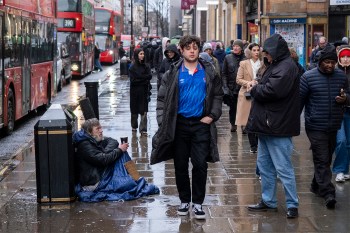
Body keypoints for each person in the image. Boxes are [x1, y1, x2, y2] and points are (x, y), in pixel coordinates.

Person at [150, 35, 223, 219]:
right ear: (181, 50)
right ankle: (184, 200)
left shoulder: (209, 71)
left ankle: (198, 203)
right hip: (179, 125)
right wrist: (163, 121)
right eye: (188, 47)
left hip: (201, 125)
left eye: (195, 47)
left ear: (199, 50)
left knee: (200, 165)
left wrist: (212, 116)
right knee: (180, 165)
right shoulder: (172, 73)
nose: (192, 50)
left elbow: (217, 95)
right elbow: (161, 100)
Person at [246, 34, 300, 219]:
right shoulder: (277, 64)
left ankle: (292, 204)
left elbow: (272, 90)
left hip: (278, 126)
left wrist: (254, 89)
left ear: (275, 52)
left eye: (267, 53)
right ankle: (268, 201)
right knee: (265, 166)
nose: (265, 56)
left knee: (283, 168)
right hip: (268, 124)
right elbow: (268, 84)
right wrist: (258, 83)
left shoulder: (286, 66)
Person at [300, 44, 349, 209]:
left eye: (332, 63)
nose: (329, 65)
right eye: (327, 62)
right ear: (320, 61)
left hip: (334, 124)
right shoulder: (308, 77)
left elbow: (348, 94)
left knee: (326, 158)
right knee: (321, 158)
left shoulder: (341, 77)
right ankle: (328, 193)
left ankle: (316, 184)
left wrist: (345, 99)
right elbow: (299, 101)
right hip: (315, 126)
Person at [73, 118, 159, 202]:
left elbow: (113, 141)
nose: (101, 130)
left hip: (100, 173)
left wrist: (107, 152)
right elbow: (103, 160)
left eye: (101, 127)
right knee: (121, 154)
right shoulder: (85, 145)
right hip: (95, 183)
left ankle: (136, 177)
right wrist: (119, 150)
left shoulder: (92, 138)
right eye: (98, 129)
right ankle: (136, 177)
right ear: (89, 132)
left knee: (121, 153)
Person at [236, 43, 261, 153]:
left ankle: (259, 143)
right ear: (249, 52)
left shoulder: (264, 63)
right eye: (254, 50)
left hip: (261, 93)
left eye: (258, 50)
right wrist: (249, 83)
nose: (256, 52)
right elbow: (238, 79)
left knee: (259, 119)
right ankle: (253, 146)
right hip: (247, 94)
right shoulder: (244, 63)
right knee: (248, 120)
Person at [333, 45, 350, 183]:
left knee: (348, 142)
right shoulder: (334, 72)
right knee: (341, 141)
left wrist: (347, 98)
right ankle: (339, 170)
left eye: (348, 56)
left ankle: (345, 170)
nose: (345, 59)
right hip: (338, 112)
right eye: (343, 56)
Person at [222, 39, 246, 132]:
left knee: (243, 107)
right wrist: (225, 87)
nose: (235, 48)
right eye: (234, 46)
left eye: (238, 46)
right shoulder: (228, 58)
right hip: (231, 87)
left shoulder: (245, 58)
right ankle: (233, 124)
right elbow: (224, 73)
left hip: (242, 87)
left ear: (241, 48)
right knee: (233, 108)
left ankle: (244, 124)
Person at [129, 48, 152, 135]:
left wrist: (140, 78)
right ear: (136, 55)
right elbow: (133, 81)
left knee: (144, 111)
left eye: (143, 54)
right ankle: (134, 127)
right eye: (140, 54)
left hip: (144, 91)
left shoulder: (146, 66)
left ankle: (143, 130)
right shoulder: (132, 67)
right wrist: (144, 78)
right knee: (134, 111)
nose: (142, 55)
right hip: (134, 92)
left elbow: (149, 76)